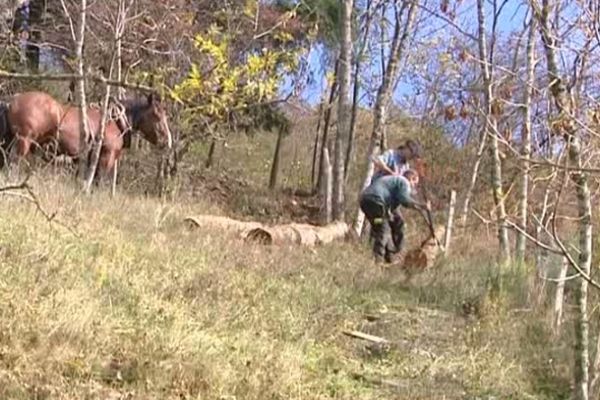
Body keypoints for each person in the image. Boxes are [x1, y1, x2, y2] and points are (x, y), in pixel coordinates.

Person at [359, 169, 430, 263]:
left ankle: (389, 259)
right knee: (384, 229)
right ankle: (378, 260)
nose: (414, 186)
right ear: (411, 178)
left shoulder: (393, 183)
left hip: (365, 202)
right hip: (375, 201)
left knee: (380, 224)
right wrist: (421, 205)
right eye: (415, 183)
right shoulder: (404, 181)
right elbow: (405, 200)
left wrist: (418, 208)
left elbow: (394, 205)